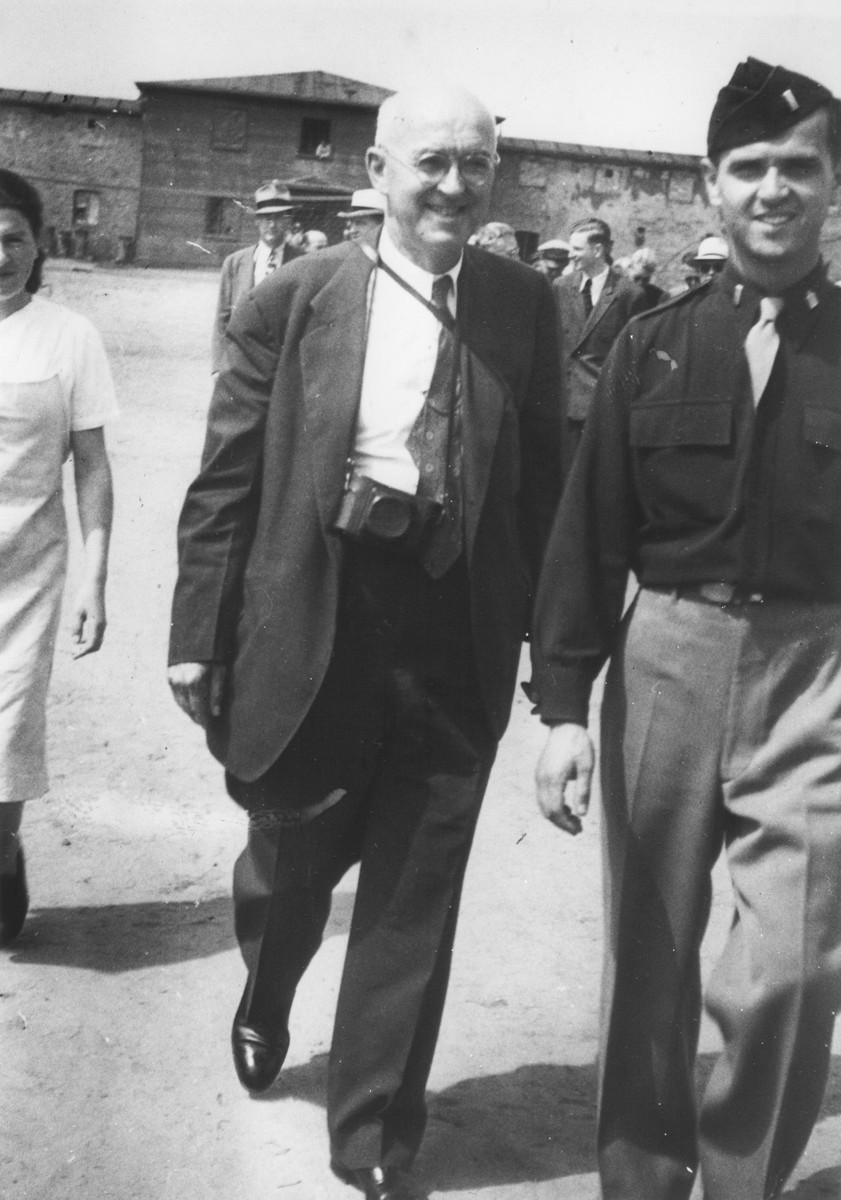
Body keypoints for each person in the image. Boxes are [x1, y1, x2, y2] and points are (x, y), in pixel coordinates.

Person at [167, 84, 561, 1200]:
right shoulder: (294, 299)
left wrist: (552, 652)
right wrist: (198, 633)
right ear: (377, 173)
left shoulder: (524, 305)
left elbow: (542, 487)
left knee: (415, 890)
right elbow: (226, 480)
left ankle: (377, 1135)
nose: (452, 185)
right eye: (430, 161)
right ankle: (268, 986)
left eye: (475, 165)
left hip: (456, 631)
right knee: (293, 861)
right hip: (321, 613)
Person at [531, 57, 841, 1200]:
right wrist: (561, 710)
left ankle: (741, 1177)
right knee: (647, 960)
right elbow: (586, 538)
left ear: (833, 186)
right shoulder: (648, 346)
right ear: (710, 187)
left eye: (798, 167)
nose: (774, 188)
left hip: (819, 675)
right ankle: (643, 1181)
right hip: (664, 658)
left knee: (794, 969)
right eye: (748, 167)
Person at [0, 170, 116, 947]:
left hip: (23, 582)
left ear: (39, 244)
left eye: (12, 238)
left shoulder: (69, 335)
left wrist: (93, 578)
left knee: (3, 751)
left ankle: (3, 859)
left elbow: (94, 467)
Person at [553, 216, 647, 475]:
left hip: (601, 407)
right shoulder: (561, 287)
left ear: (598, 250)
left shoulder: (629, 294)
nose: (570, 255)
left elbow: (636, 356)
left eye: (577, 249)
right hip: (562, 402)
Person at [210, 180, 303, 372]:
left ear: (289, 221)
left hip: (284, 366)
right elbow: (222, 318)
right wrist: (219, 366)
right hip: (243, 361)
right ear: (257, 221)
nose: (272, 224)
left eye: (279, 217)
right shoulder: (234, 263)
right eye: (266, 218)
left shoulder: (304, 261)